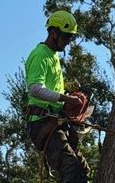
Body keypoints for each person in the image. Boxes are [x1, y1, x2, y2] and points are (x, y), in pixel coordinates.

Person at [25, 10, 90, 183]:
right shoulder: (40, 55)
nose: (68, 42)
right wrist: (66, 99)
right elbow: (35, 89)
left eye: (71, 38)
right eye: (66, 37)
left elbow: (51, 91)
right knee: (70, 166)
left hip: (55, 120)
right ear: (53, 33)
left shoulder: (53, 56)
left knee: (82, 168)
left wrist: (69, 101)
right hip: (41, 122)